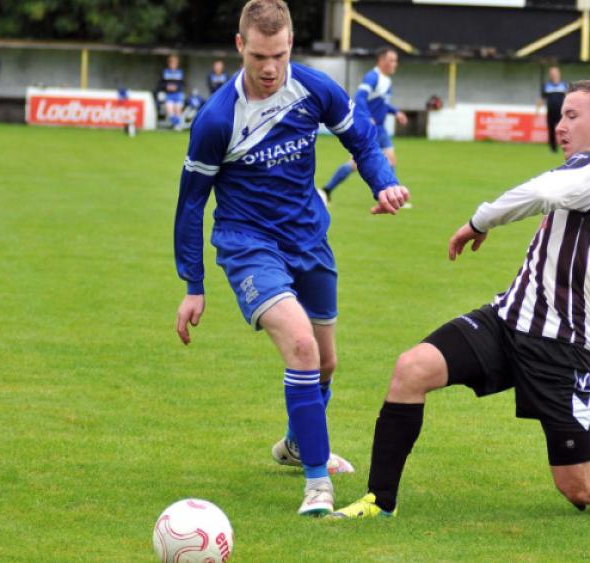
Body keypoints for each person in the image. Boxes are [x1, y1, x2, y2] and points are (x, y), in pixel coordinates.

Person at [331, 80, 590, 519]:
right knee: (411, 369)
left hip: (561, 348)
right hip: (507, 320)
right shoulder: (589, 172)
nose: (560, 126)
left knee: (580, 486)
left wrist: (478, 222)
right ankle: (378, 502)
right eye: (560, 116)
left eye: (572, 116)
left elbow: (543, 194)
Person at [173, 0, 410, 517]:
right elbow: (191, 204)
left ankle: (298, 444)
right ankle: (316, 481)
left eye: (279, 54)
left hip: (308, 238)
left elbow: (361, 139)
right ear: (240, 46)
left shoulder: (315, 88)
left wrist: (385, 183)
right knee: (301, 347)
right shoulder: (217, 119)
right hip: (248, 243)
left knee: (325, 362)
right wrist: (193, 283)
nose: (268, 68)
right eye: (258, 54)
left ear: (291, 46)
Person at [321, 47, 408, 203]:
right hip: (372, 130)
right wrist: (368, 116)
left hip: (381, 129)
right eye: (391, 60)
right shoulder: (372, 77)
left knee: (391, 160)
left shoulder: (386, 80)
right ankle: (327, 189)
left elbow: (382, 105)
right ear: (381, 61)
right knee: (354, 164)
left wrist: (396, 112)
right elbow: (360, 97)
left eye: (396, 61)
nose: (395, 64)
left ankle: (392, 195)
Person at [537, 65, 568, 153]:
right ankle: (553, 149)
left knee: (564, 131)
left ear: (559, 73)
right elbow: (542, 98)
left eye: (555, 72)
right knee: (551, 130)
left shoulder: (564, 85)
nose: (554, 74)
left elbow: (568, 98)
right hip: (550, 111)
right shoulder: (547, 86)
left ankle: (566, 147)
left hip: (561, 112)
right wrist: (537, 110)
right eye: (552, 73)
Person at [162, 54, 186, 129]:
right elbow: (161, 83)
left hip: (178, 94)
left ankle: (177, 125)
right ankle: (175, 123)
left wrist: (177, 87)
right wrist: (166, 87)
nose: (173, 64)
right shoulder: (165, 72)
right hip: (169, 94)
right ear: (169, 63)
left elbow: (183, 83)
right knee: (170, 109)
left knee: (178, 109)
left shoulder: (180, 72)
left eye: (174, 63)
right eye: (171, 63)